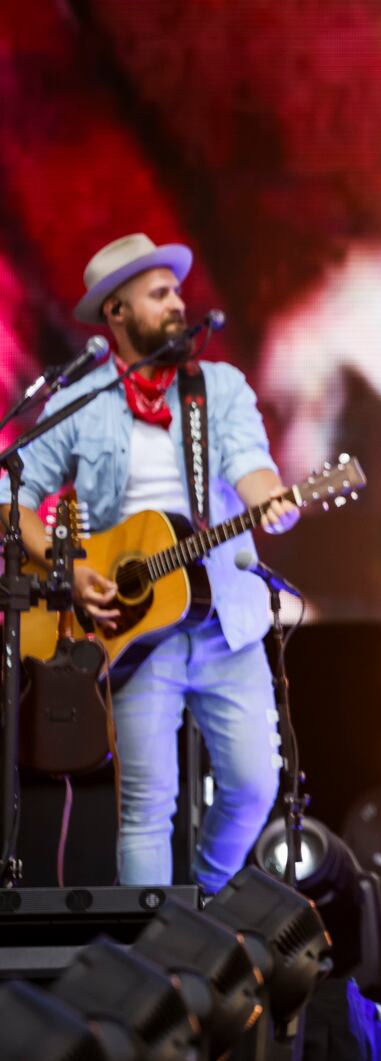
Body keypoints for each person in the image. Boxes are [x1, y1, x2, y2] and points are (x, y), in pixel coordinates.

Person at [3, 233, 299, 893]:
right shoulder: (80, 402)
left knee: (255, 783)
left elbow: (250, 466)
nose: (177, 303)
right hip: (130, 629)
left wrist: (272, 499)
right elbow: (9, 492)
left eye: (176, 290)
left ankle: (208, 899)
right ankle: (154, 957)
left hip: (222, 615)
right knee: (145, 811)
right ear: (116, 313)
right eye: (159, 293)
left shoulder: (217, 388)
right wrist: (69, 565)